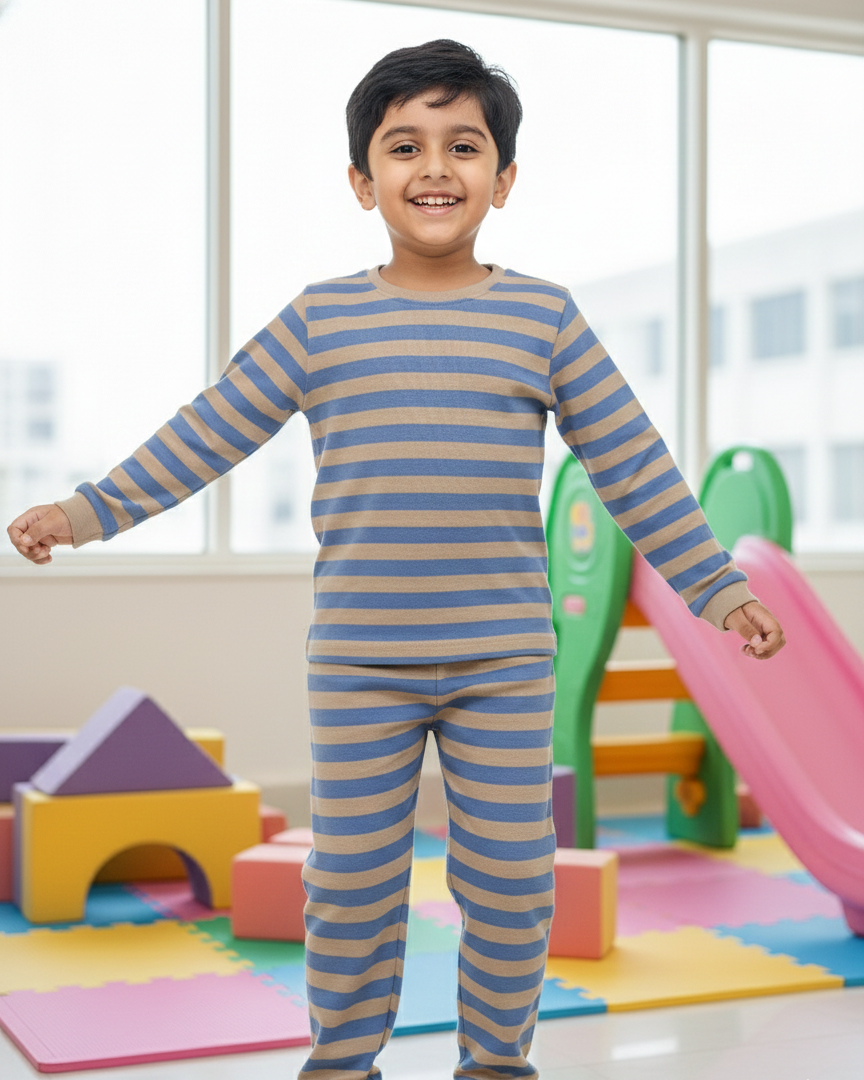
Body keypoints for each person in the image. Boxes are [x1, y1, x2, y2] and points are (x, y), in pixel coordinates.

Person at [7, 38, 784, 1080]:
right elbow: (212, 430)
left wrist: (718, 586)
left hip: (505, 660)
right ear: (360, 179)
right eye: (404, 145)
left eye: (464, 147)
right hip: (359, 662)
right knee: (352, 884)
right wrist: (88, 510)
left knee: (511, 882)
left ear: (503, 181)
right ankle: (342, 1062)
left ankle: (496, 1062)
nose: (434, 168)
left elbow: (635, 465)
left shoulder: (544, 316)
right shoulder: (322, 319)